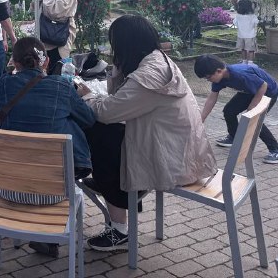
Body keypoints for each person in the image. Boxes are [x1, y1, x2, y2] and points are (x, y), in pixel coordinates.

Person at [77, 15, 217, 252]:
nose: (113, 49)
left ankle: (120, 230)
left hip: (172, 160)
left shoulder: (148, 76)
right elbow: (120, 99)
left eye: (115, 44)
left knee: (101, 135)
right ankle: (113, 186)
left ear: (125, 44)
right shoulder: (156, 60)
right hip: (178, 148)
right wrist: (118, 69)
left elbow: (108, 111)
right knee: (108, 136)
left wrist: (87, 96)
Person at [0, 37, 95, 256]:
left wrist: (7, 77)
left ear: (15, 62)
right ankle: (48, 235)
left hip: (9, 188)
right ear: (46, 61)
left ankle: (42, 237)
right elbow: (88, 119)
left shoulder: (5, 83)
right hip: (56, 192)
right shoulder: (62, 86)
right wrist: (83, 96)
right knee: (66, 124)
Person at [195, 54, 278, 164]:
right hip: (249, 91)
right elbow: (211, 99)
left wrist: (252, 107)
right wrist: (201, 119)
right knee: (229, 111)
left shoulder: (240, 74)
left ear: (219, 71)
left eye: (208, 77)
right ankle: (234, 137)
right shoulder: (218, 79)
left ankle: (277, 150)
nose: (208, 80)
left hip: (268, 92)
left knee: (255, 119)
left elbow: (263, 85)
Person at [38, 0, 78, 75]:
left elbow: (55, 12)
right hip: (48, 37)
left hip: (58, 38)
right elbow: (35, 7)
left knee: (56, 72)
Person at [233, 0, 259, 64]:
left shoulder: (238, 16)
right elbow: (256, 23)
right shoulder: (252, 16)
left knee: (243, 49)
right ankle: (250, 62)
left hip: (241, 35)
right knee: (251, 50)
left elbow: (235, 23)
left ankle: (244, 61)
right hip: (250, 35)